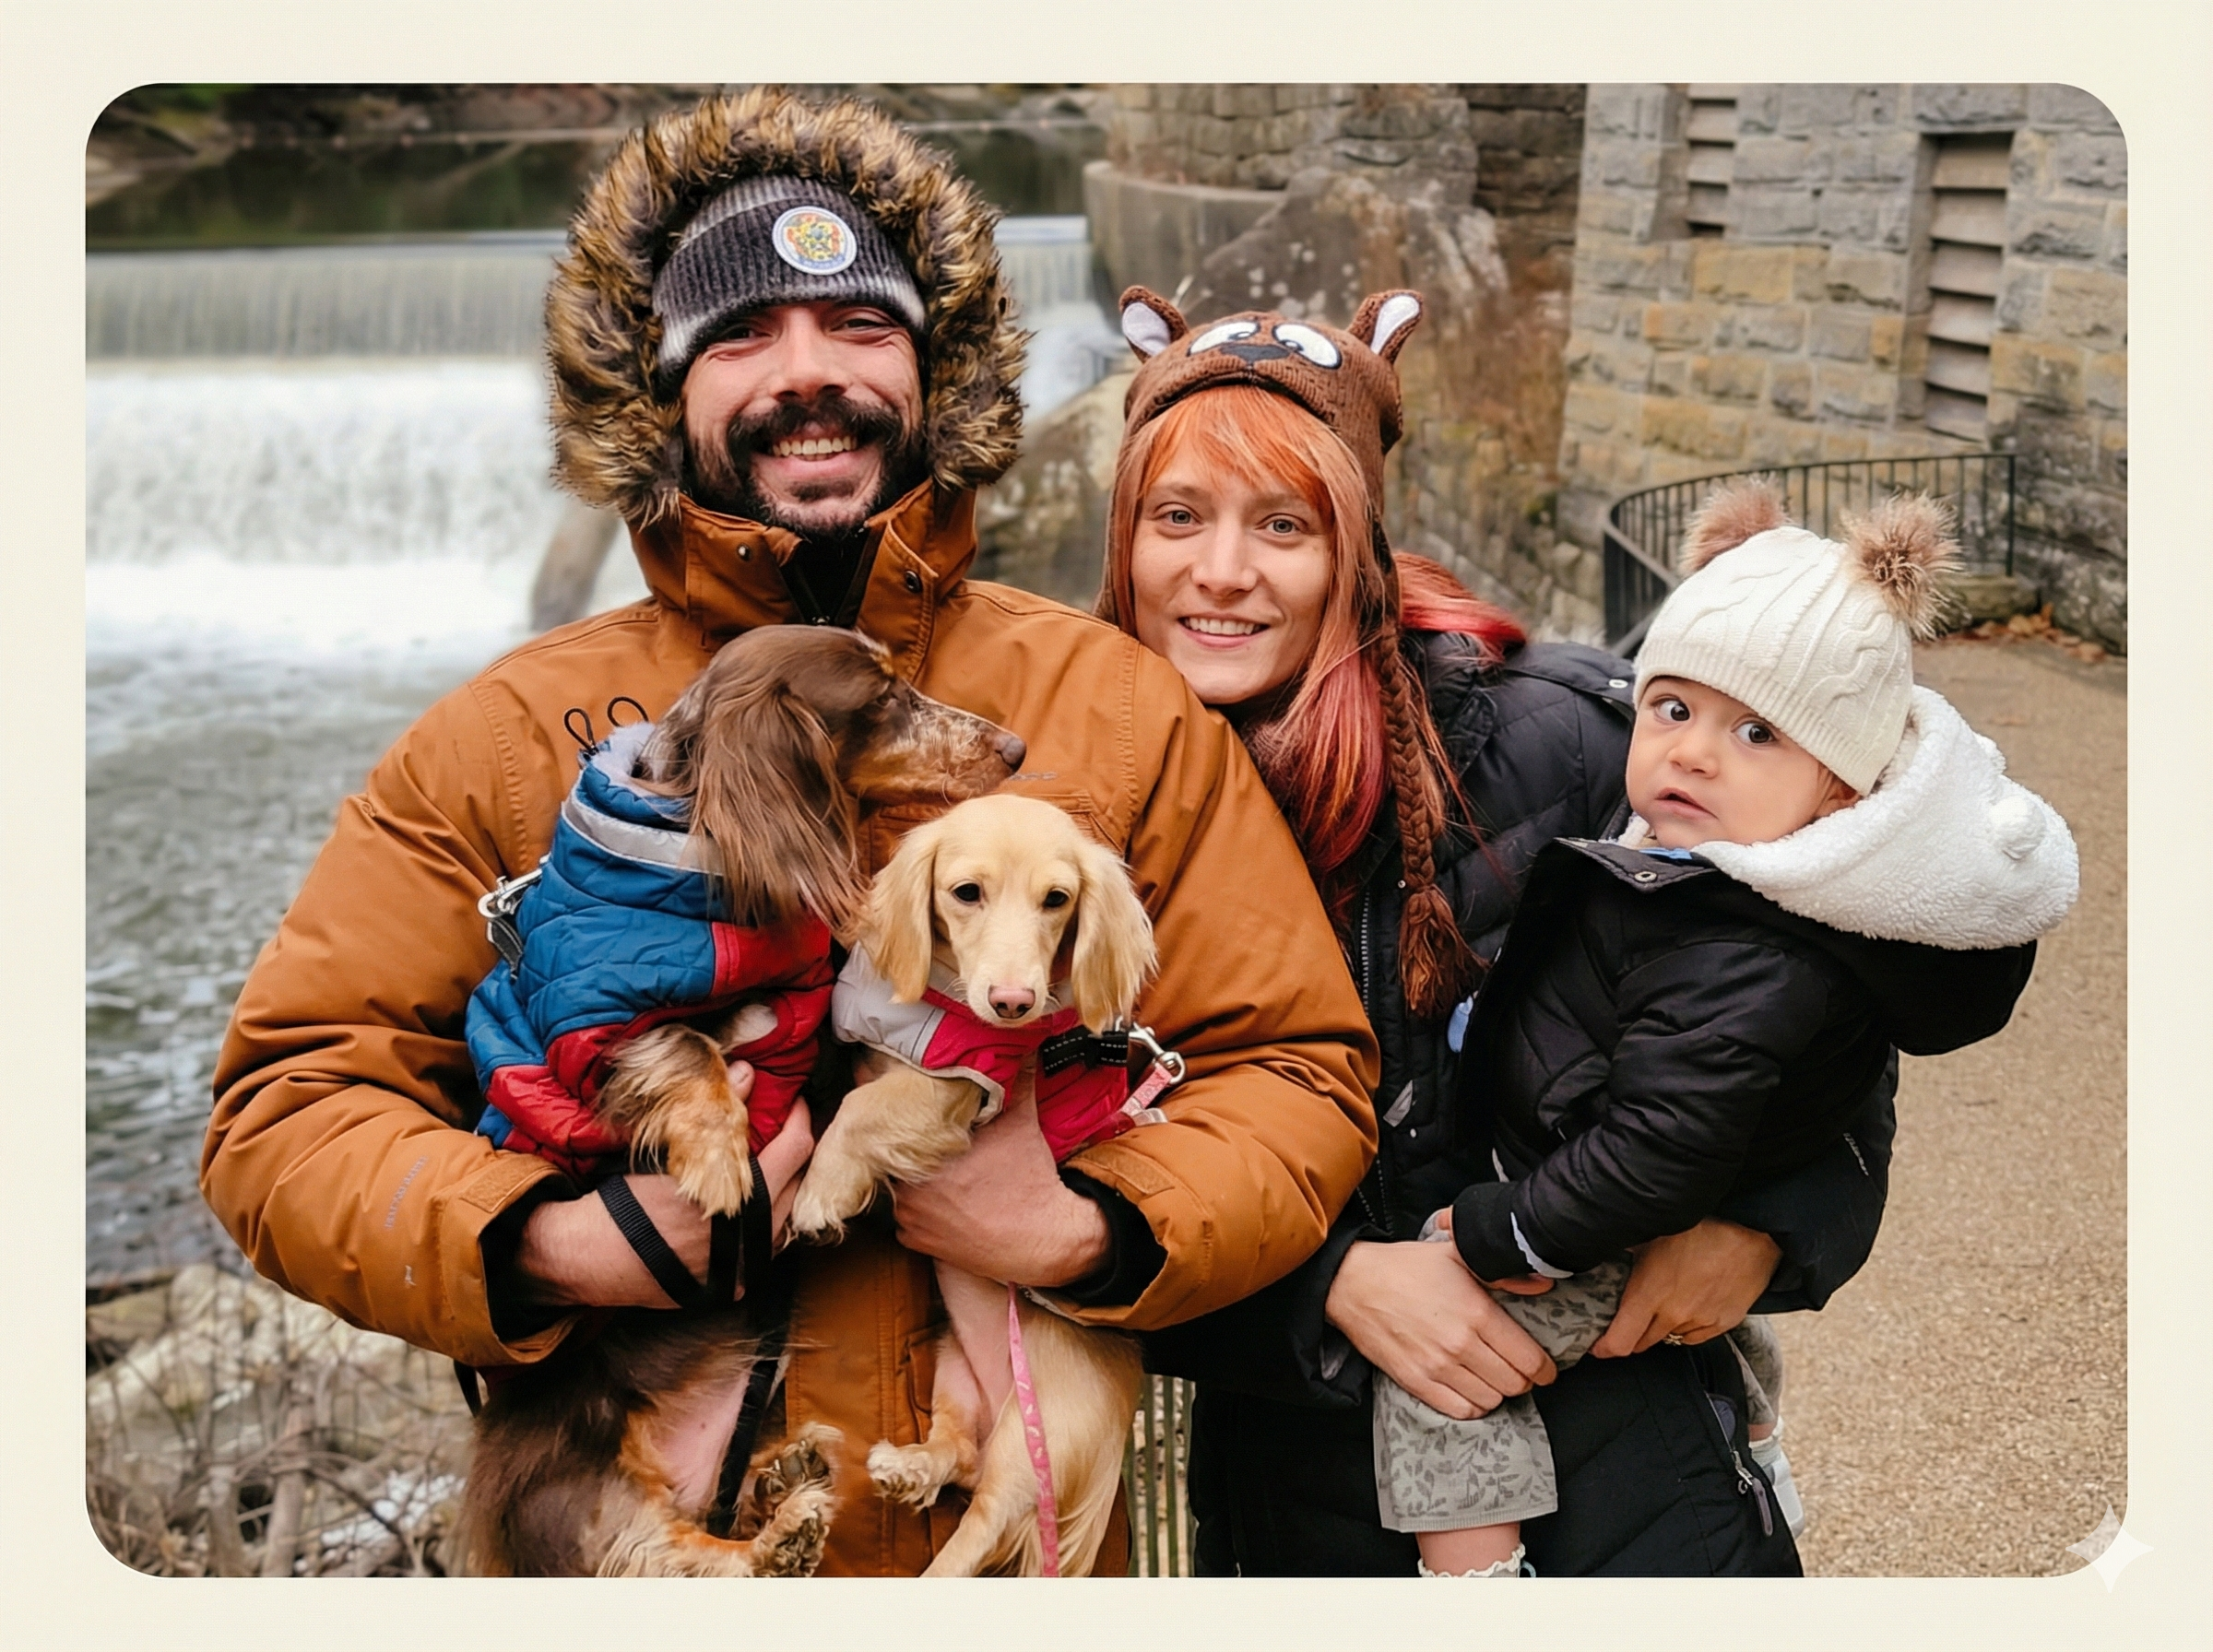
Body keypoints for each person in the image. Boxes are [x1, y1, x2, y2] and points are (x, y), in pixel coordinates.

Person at [201, 89, 1379, 1576]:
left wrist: (1093, 1224)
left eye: (859, 328)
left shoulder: (1111, 706)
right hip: (619, 1529)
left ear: (933, 372)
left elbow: (1299, 1068)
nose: (808, 375)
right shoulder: (505, 737)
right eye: (744, 334)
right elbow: (289, 1107)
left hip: (994, 1543)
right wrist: (542, 1242)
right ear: (661, 391)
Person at [1102, 287, 1923, 1575]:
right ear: (1125, 539)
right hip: (1300, 1492)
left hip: (1627, 1458)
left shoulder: (1566, 738)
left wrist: (1778, 1222)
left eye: (1282, 525)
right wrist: (1328, 1292)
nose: (1222, 572)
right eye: (1178, 519)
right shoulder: (1067, 821)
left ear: (1356, 541)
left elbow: (1822, 993)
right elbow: (1049, 1212)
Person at [1371, 479, 2075, 1575]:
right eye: (1673, 709)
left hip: (1585, 1218)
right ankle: (1761, 1450)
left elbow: (1657, 1151)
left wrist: (1497, 1231)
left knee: (1437, 1388)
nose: (1694, 752)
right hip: (1614, 1195)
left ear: (1841, 795)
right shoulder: (1707, 865)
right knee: (1710, 1341)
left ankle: (1476, 1586)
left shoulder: (1744, 945)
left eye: (1755, 732)